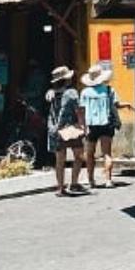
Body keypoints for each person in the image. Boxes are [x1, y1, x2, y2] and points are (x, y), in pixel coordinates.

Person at [78, 65, 134, 188]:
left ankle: (91, 180)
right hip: (106, 124)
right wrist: (128, 105)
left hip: (91, 126)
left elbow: (81, 111)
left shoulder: (84, 92)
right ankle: (108, 180)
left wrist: (82, 126)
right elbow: (117, 105)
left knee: (89, 154)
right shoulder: (109, 90)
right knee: (107, 154)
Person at [46, 66, 87, 196]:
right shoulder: (72, 93)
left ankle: (60, 188)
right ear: (68, 79)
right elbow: (78, 110)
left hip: (56, 129)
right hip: (71, 128)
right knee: (79, 156)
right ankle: (74, 183)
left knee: (59, 160)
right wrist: (83, 126)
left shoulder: (52, 93)